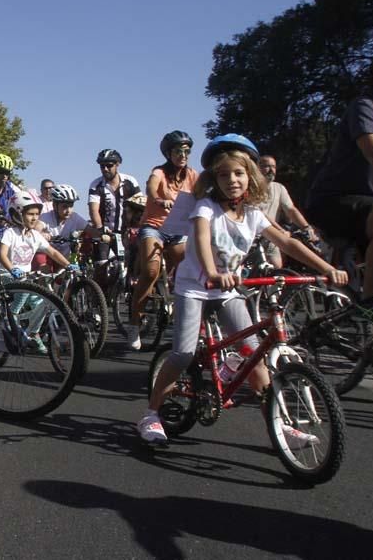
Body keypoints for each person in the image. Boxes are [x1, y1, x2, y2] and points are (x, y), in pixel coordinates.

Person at [139, 134, 347, 445]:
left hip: (227, 291)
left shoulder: (252, 214)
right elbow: (200, 237)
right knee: (182, 353)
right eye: (223, 175)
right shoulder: (206, 208)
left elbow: (286, 241)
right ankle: (151, 414)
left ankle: (281, 426)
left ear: (250, 175)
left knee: (253, 355)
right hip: (194, 288)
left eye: (238, 173)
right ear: (214, 179)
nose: (232, 180)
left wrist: (327, 269)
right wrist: (211, 272)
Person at [125, 131, 198, 350]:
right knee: (149, 272)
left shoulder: (193, 175)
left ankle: (176, 299)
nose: (183, 155)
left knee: (190, 268)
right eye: (178, 151)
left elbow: (205, 191)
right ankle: (134, 323)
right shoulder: (159, 172)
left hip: (179, 230)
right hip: (154, 227)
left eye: (187, 151)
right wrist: (158, 199)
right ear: (168, 153)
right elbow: (151, 187)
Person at [0, 190, 76, 354]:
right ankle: (10, 319)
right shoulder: (10, 233)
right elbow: (2, 254)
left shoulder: (34, 235)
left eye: (37, 214)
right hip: (7, 276)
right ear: (17, 213)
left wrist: (68, 265)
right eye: (30, 214)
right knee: (23, 294)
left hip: (26, 279)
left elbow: (52, 253)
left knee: (42, 303)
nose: (35, 218)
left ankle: (33, 333)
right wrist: (12, 269)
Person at [257, 155, 318, 268]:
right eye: (266, 166)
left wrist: (306, 228)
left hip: (273, 236)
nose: (271, 170)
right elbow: (259, 215)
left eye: (273, 167)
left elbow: (290, 209)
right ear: (256, 168)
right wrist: (280, 230)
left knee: (278, 269)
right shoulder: (251, 188)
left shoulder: (279, 188)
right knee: (270, 268)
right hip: (256, 236)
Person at [88, 149, 141, 259]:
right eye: (102, 166)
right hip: (106, 233)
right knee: (101, 265)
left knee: (133, 264)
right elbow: (94, 211)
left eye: (109, 165)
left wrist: (134, 228)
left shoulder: (130, 181)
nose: (105, 169)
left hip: (126, 232)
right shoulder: (96, 185)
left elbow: (140, 205)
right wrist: (101, 230)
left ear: (118, 164)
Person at [39, 184, 89, 262]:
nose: (69, 210)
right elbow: (36, 229)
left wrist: (103, 234)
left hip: (65, 260)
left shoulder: (74, 217)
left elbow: (91, 230)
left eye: (71, 206)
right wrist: (40, 234)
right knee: (40, 258)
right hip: (48, 258)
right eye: (64, 206)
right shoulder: (45, 217)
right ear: (54, 205)